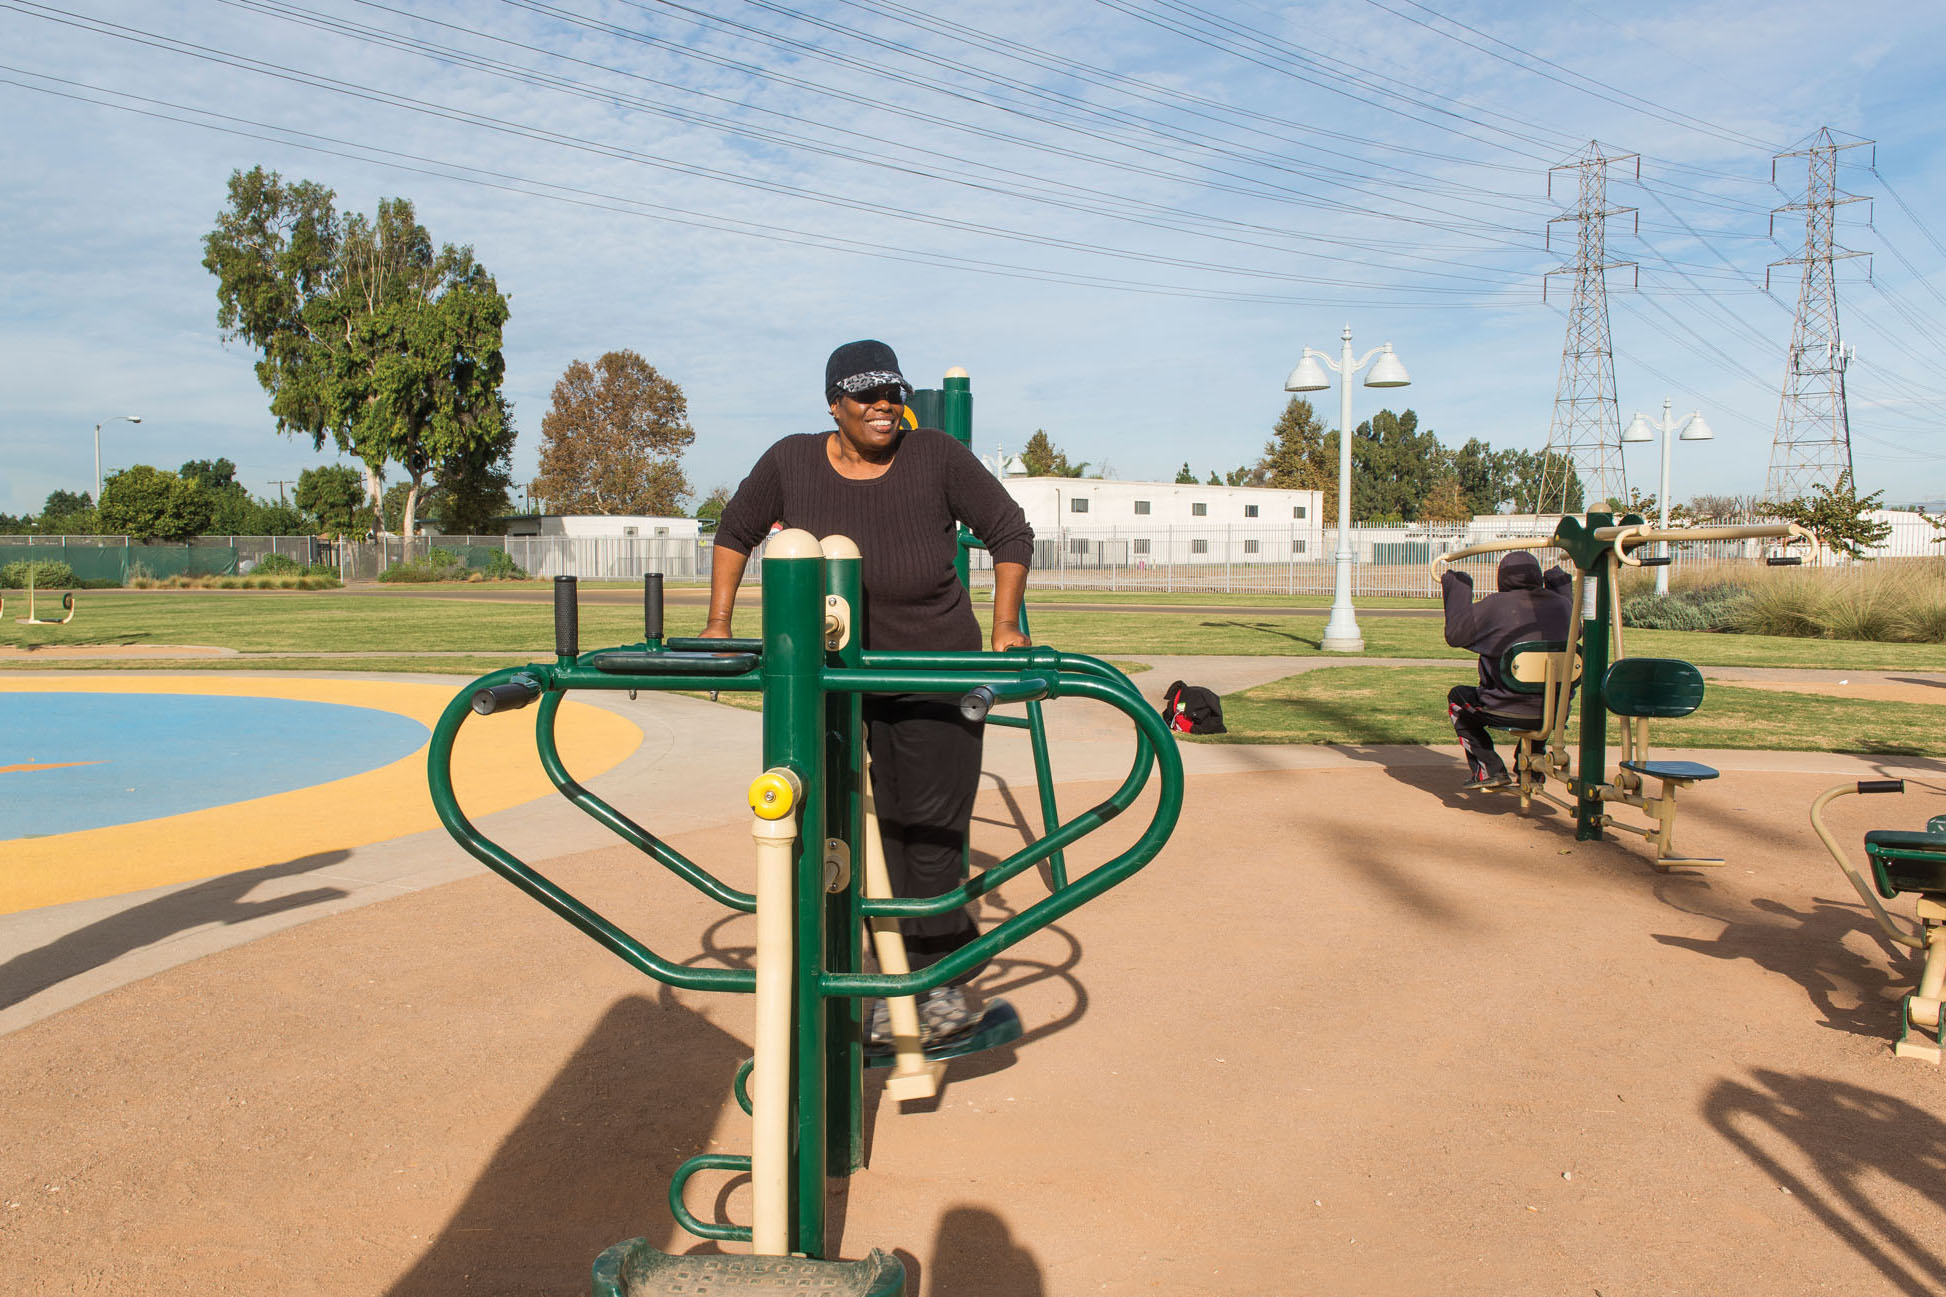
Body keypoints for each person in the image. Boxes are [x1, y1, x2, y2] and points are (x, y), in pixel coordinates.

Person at [703, 340, 1035, 1044]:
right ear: (834, 404)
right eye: (866, 394)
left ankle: (935, 986)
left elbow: (1009, 530)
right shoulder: (790, 460)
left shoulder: (935, 455)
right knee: (836, 825)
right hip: (836, 670)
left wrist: (1006, 624)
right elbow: (735, 530)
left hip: (930, 674)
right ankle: (855, 976)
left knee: (927, 831)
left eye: (893, 392)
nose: (884, 404)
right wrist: (717, 623)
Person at [1440, 550, 1572, 790]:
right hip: (1554, 711)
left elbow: (1456, 634)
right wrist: (1560, 584)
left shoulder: (1495, 606)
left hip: (1500, 707)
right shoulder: (1564, 606)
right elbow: (1578, 631)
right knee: (1541, 698)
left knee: (1457, 699)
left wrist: (1458, 585)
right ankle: (1531, 766)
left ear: (1502, 577)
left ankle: (1489, 768)